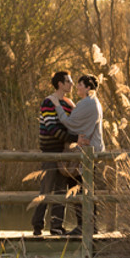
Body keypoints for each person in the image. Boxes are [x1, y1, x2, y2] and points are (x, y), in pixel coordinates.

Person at [30, 71, 81, 236]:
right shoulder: (48, 102)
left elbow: (73, 124)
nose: (72, 84)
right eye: (69, 81)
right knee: (46, 188)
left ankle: (56, 226)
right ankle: (37, 224)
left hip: (64, 151)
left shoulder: (68, 103)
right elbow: (51, 128)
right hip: (50, 150)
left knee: (61, 189)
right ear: (60, 83)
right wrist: (75, 139)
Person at [58, 74, 106, 234]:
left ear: (88, 87)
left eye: (80, 84)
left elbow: (70, 123)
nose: (76, 87)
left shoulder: (88, 103)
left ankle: (84, 226)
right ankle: (90, 226)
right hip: (91, 150)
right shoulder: (92, 102)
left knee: (79, 187)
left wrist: (57, 107)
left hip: (86, 152)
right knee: (86, 188)